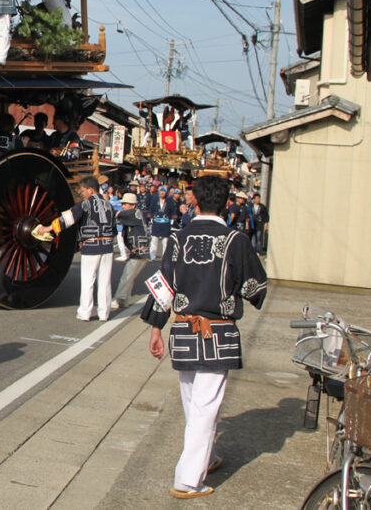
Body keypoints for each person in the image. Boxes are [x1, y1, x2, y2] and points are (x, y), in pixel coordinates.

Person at [141, 175, 266, 499]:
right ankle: (187, 480)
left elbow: (163, 287)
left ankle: (205, 458)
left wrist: (156, 327)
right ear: (226, 203)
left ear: (194, 200)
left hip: (182, 330)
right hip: (217, 332)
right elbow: (257, 288)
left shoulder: (178, 239)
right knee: (204, 407)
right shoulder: (235, 240)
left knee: (193, 403)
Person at [32, 176, 115, 321]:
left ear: (90, 190)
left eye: (83, 191)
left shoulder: (85, 204)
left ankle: (85, 312)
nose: (82, 193)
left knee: (88, 281)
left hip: (91, 246)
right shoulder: (109, 205)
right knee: (105, 282)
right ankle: (104, 313)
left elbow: (67, 219)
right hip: (107, 247)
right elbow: (114, 230)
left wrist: (48, 228)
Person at [111, 192, 150, 310]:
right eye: (123, 204)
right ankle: (125, 300)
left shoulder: (134, 213)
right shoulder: (134, 214)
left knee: (127, 276)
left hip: (139, 252)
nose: (123, 206)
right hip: (140, 252)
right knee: (130, 276)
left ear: (133, 205)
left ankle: (118, 298)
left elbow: (116, 215)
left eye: (126, 204)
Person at [147, 185, 177, 262]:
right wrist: (150, 216)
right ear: (159, 192)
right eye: (161, 191)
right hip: (156, 222)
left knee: (165, 241)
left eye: (163, 191)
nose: (162, 193)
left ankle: (165, 258)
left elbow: (173, 210)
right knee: (154, 240)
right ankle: (152, 256)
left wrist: (173, 218)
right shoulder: (155, 198)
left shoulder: (169, 200)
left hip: (166, 222)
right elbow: (151, 208)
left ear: (166, 192)